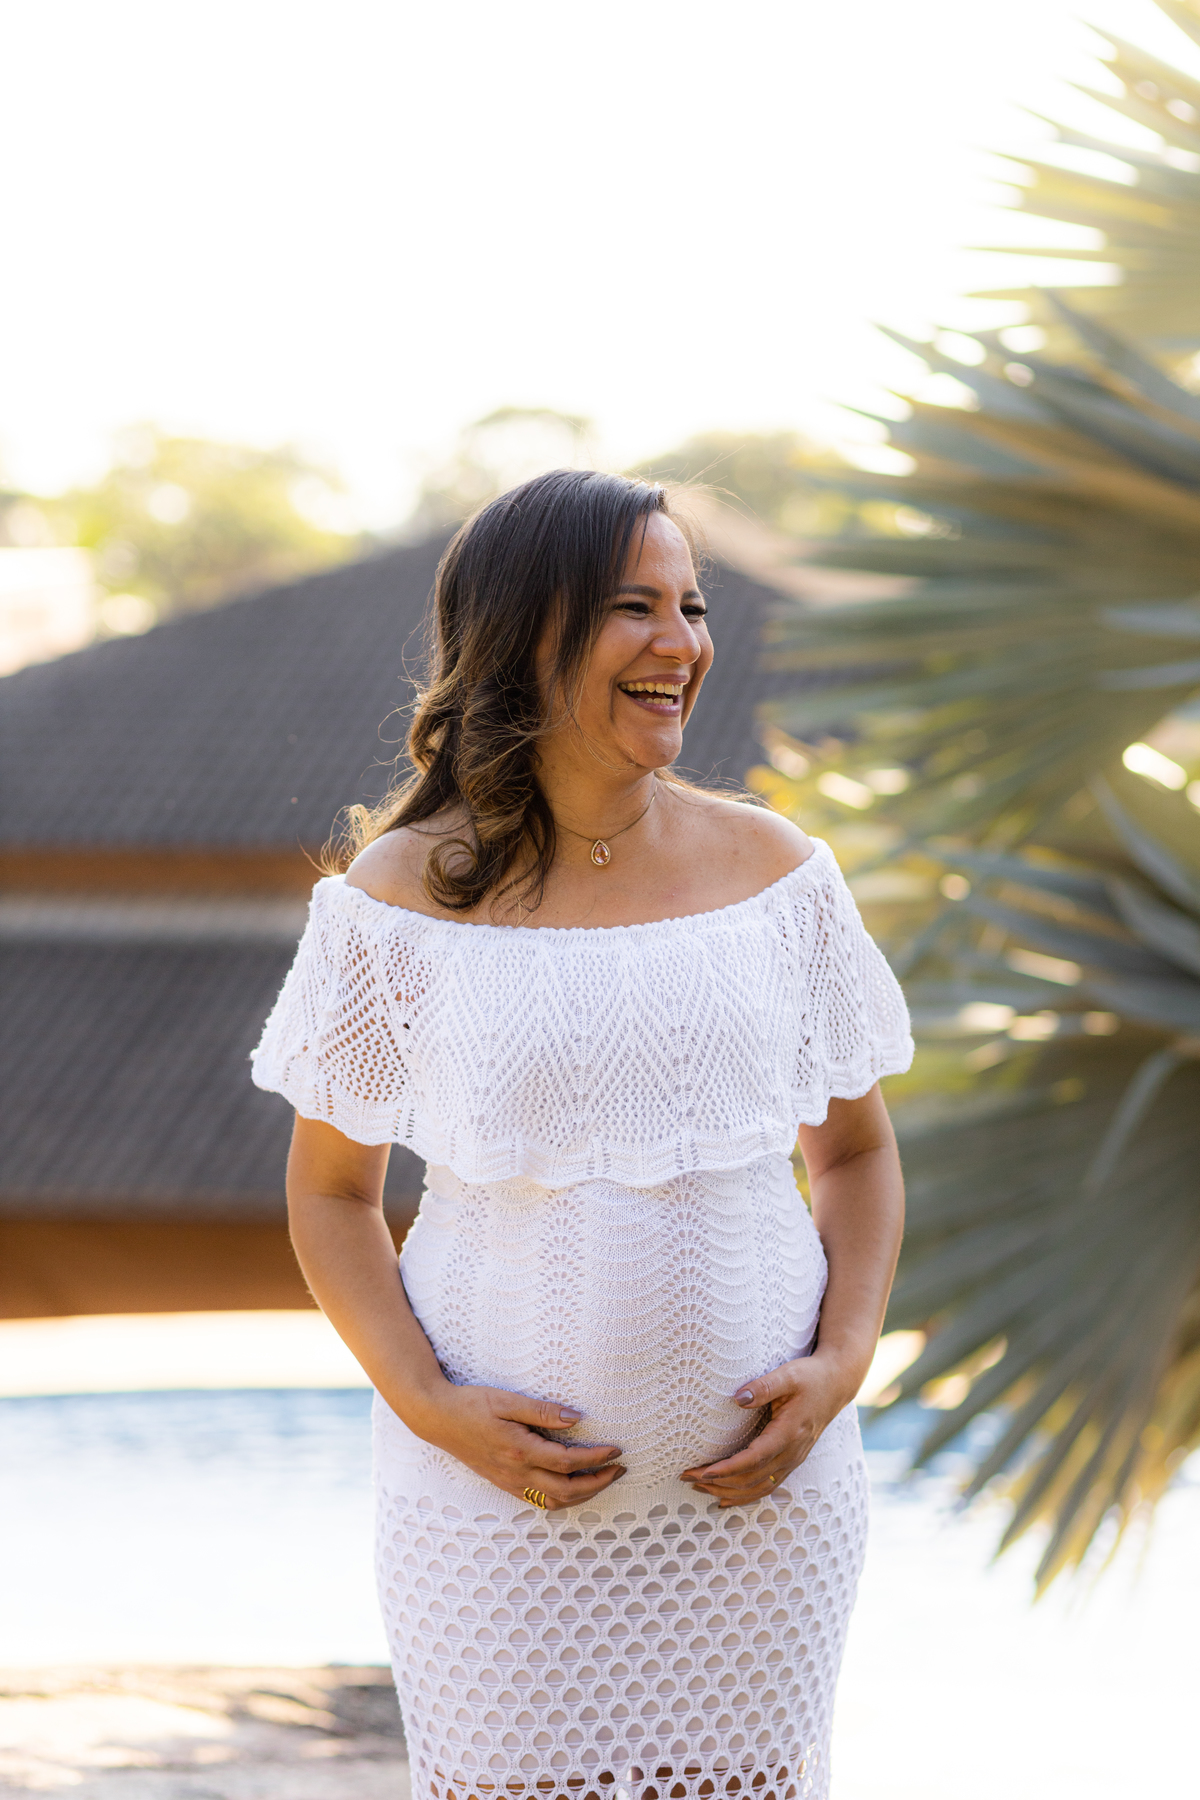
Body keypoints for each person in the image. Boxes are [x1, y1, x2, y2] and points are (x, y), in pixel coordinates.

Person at [252, 469, 911, 1800]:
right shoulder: (397, 899)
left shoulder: (779, 875)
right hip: (495, 1517)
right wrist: (430, 1406)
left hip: (763, 1522)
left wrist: (843, 1363)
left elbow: (853, 1155)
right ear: (527, 633)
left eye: (692, 606)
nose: (683, 643)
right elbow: (330, 1195)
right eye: (634, 607)